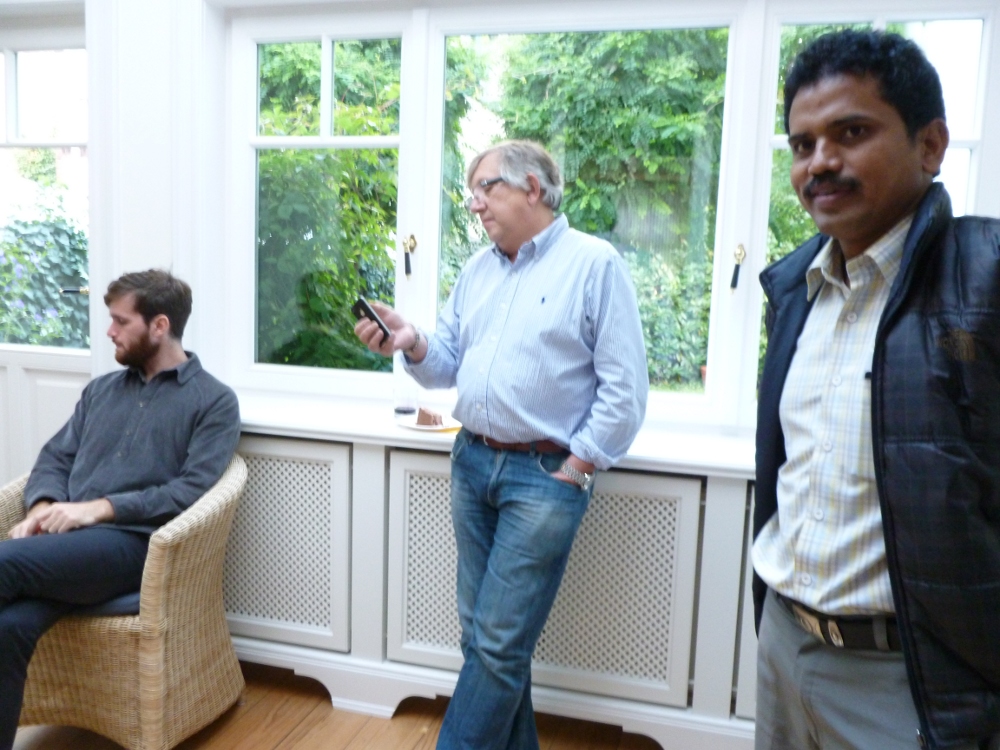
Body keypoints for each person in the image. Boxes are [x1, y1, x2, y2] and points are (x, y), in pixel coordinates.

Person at [355, 140, 648, 749]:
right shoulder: (478, 271)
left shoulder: (594, 264)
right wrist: (411, 341)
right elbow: (446, 365)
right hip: (472, 462)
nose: (475, 204)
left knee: (496, 644)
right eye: (472, 193)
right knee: (485, 641)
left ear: (532, 188)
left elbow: (625, 390)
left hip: (545, 478)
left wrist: (577, 469)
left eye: (486, 188)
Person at [753, 29, 1000, 750]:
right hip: (784, 643)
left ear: (930, 145)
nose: (820, 162)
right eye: (802, 144)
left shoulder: (986, 282)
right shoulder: (795, 292)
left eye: (851, 133)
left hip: (912, 680)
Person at [0, 269, 241, 749]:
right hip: (67, 549)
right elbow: (55, 457)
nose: (109, 331)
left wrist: (99, 509)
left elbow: (189, 493)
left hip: (135, 547)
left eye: (120, 321)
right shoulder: (102, 391)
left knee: (3, 562)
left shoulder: (214, 402)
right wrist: (43, 506)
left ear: (159, 326)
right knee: (9, 627)